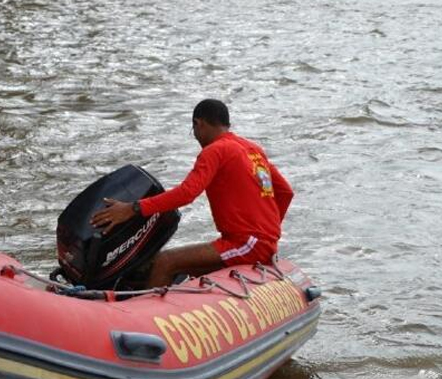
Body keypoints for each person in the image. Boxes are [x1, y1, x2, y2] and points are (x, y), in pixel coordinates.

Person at [90, 99, 294, 287]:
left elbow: (187, 193)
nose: (195, 136)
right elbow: (285, 192)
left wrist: (133, 208)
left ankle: (146, 320)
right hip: (258, 242)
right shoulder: (252, 149)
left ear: (199, 123)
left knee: (165, 261)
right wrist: (269, 232)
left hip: (246, 243)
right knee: (187, 269)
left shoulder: (215, 150)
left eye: (194, 130)